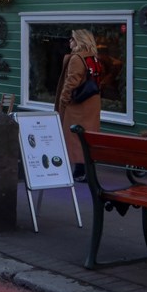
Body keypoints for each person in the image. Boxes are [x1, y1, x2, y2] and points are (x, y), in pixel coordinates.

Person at [55, 29, 102, 181]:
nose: (70, 41)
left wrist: (63, 101)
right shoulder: (93, 57)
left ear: (79, 41)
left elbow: (71, 83)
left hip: (78, 106)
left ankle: (81, 171)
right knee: (86, 137)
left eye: (72, 38)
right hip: (91, 103)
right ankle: (83, 170)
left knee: (75, 138)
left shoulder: (76, 58)